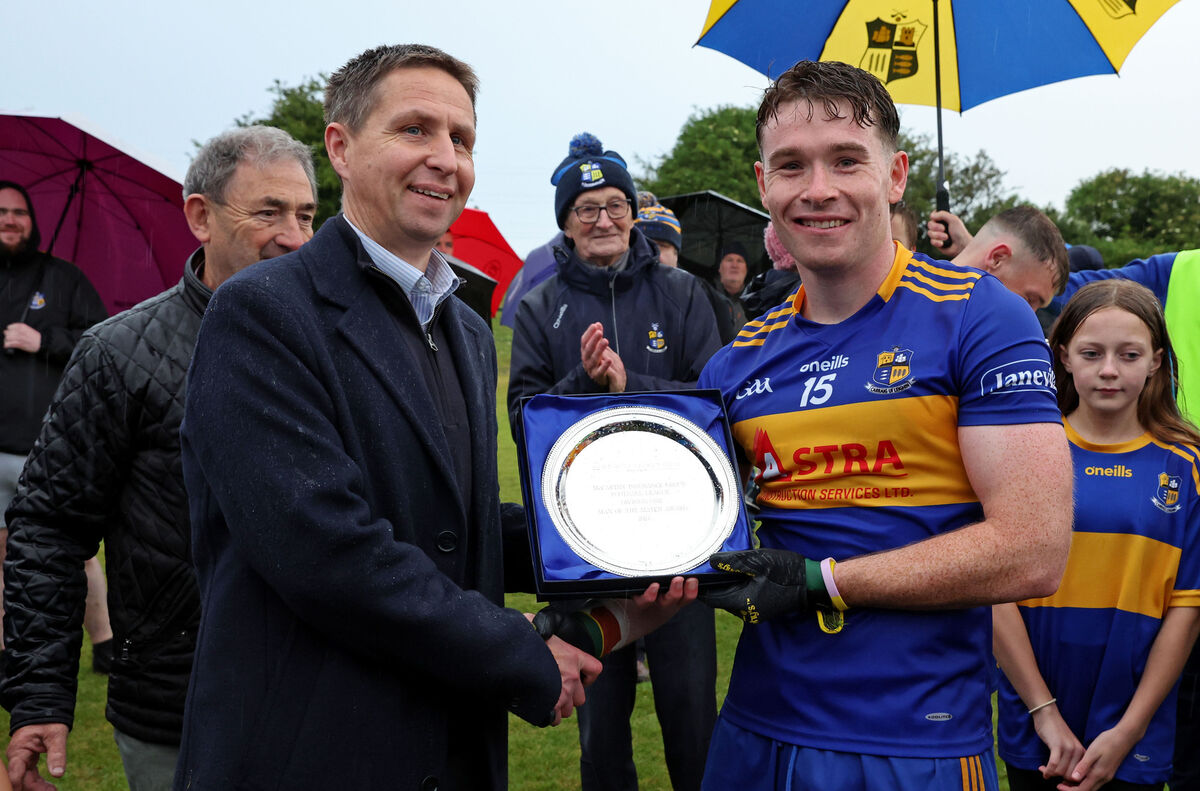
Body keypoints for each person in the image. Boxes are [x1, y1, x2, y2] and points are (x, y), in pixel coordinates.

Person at [174, 45, 688, 791]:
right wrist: (520, 654)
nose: (445, 158)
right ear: (341, 147)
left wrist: (618, 542)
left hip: (450, 747)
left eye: (462, 139)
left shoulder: (466, 329)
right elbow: (327, 551)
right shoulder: (260, 312)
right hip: (311, 752)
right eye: (415, 129)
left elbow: (461, 525)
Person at [696, 59, 1072, 791]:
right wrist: (596, 630)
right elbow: (701, 555)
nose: (818, 189)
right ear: (762, 183)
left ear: (896, 175)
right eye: (791, 166)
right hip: (754, 730)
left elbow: (1034, 548)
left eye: (846, 160)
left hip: (913, 743)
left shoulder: (980, 316)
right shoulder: (732, 364)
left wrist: (822, 581)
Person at [1, 127, 318, 791]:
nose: (294, 235)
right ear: (201, 215)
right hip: (177, 708)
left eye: (306, 214)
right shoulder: (118, 353)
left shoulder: (341, 347)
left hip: (323, 698)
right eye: (268, 211)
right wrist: (39, 693)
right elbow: (50, 527)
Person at [508, 133, 721, 791]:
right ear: (566, 224)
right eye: (585, 209)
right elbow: (523, 418)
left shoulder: (684, 293)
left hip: (680, 544)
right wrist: (583, 380)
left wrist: (632, 388)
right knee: (602, 727)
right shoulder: (541, 307)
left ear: (632, 211)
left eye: (613, 205)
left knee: (692, 718)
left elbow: (717, 403)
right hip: (588, 550)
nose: (601, 220)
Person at [994, 280, 1200, 791]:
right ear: (1063, 356)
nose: (1109, 369)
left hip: (1134, 732)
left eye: (1129, 354)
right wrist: (1043, 711)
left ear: (1155, 360)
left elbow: (1187, 606)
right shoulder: (1025, 452)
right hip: (1036, 722)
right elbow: (993, 593)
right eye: (1092, 353)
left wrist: (1129, 730)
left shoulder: (1187, 465)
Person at [0, 180, 112, 671]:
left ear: (33, 220)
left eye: (19, 212)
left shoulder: (65, 279)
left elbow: (99, 342)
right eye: (1, 211)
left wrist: (41, 338)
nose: (10, 220)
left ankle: (105, 641)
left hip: (48, 445)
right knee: (2, 553)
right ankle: (5, 649)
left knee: (75, 549)